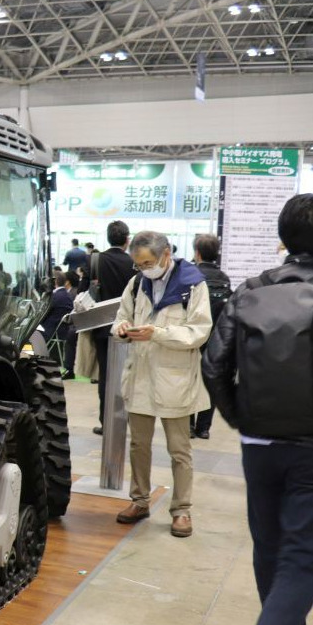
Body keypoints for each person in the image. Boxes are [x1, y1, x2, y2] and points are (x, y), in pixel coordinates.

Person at [202, 194, 313, 625]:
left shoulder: (251, 290)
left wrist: (241, 421)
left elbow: (214, 365)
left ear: (282, 236)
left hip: (259, 444)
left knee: (270, 546)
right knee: (303, 556)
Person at [110, 230, 211, 538]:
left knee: (179, 449)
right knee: (139, 445)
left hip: (175, 378)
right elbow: (118, 319)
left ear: (166, 254)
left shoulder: (193, 284)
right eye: (139, 264)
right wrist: (123, 329)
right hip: (140, 376)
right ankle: (139, 501)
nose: (144, 269)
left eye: (148, 262)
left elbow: (199, 332)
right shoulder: (137, 283)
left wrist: (158, 333)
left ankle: (181, 510)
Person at [81, 221, 136, 434]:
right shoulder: (133, 262)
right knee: (127, 374)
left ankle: (106, 423)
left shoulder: (95, 259)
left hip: (101, 327)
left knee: (105, 376)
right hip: (128, 327)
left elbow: (83, 291)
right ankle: (125, 420)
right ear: (127, 239)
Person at [190, 233, 231, 439]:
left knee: (189, 379)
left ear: (197, 253)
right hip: (215, 339)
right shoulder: (224, 278)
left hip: (193, 336)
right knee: (211, 382)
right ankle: (203, 427)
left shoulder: (190, 275)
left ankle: (187, 425)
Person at [40, 272, 76, 377]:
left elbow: (42, 315)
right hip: (62, 330)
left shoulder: (54, 297)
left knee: (32, 332)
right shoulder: (67, 295)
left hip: (51, 331)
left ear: (54, 281)